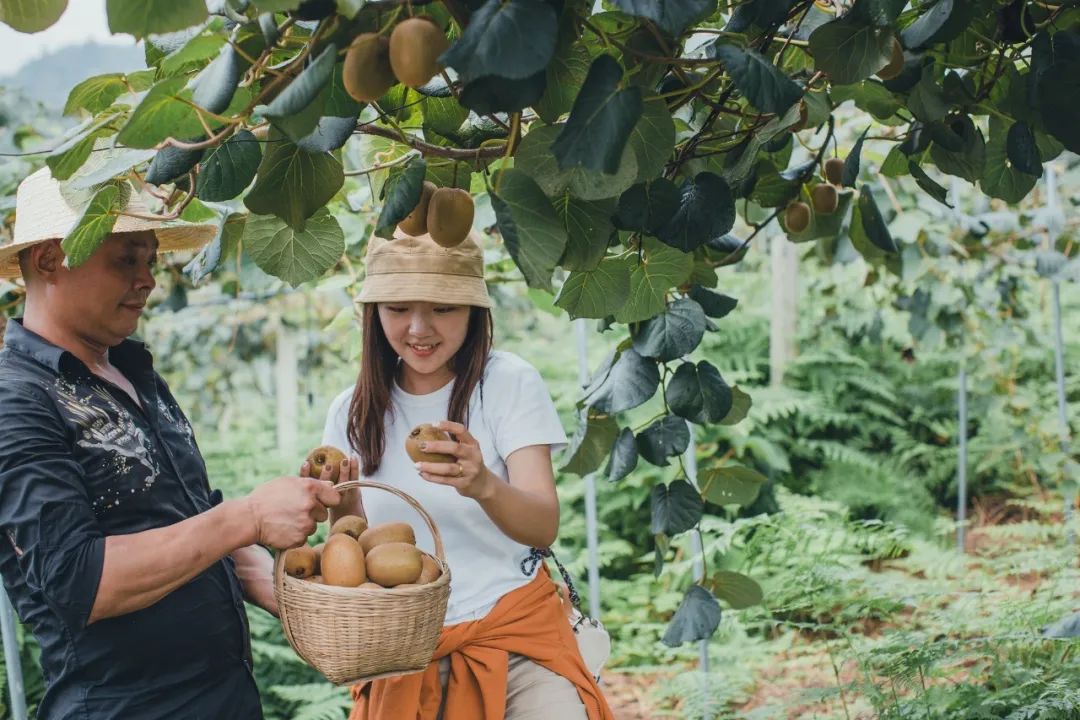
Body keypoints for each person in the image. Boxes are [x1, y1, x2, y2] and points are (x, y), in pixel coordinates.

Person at [0, 168, 342, 719]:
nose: (148, 280)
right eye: (126, 259)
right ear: (48, 260)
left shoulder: (134, 372)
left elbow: (195, 524)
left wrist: (300, 596)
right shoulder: (16, 400)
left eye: (150, 261)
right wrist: (249, 515)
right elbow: (79, 581)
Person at [317, 229, 613, 720]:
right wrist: (342, 510)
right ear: (373, 314)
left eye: (443, 307)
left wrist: (484, 486)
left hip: (516, 638)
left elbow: (543, 526)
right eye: (398, 308)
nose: (418, 328)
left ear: (474, 311)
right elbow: (353, 554)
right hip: (406, 651)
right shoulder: (351, 411)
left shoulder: (507, 384)